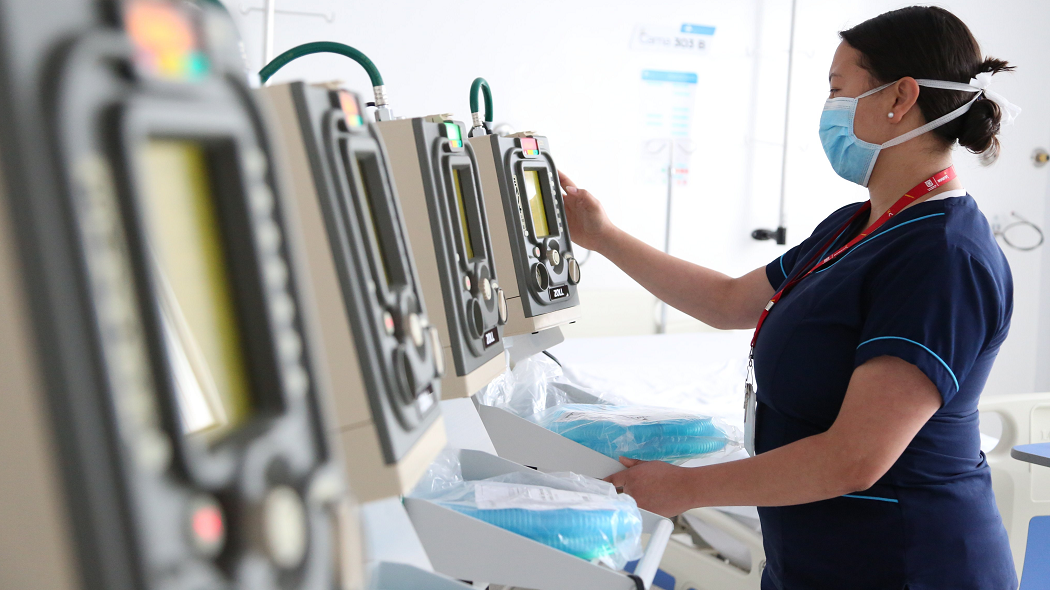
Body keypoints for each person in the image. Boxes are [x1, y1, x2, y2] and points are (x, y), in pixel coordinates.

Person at [569, 6, 1019, 589]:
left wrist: (686, 489)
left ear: (900, 97)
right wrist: (601, 236)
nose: (827, 110)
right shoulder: (857, 226)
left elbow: (856, 457)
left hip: (908, 565)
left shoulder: (942, 258)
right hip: (819, 558)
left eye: (837, 89)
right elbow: (730, 302)